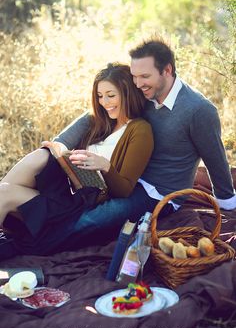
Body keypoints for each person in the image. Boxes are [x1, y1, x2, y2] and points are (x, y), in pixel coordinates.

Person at [44, 36, 236, 249]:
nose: (137, 83)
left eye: (145, 76)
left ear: (167, 70)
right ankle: (24, 232)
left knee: (94, 221)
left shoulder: (198, 110)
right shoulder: (143, 91)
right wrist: (61, 142)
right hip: (124, 176)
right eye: (134, 76)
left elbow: (215, 158)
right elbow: (98, 113)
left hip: (159, 193)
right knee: (67, 204)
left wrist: (227, 202)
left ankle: (20, 247)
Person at [0, 63, 154, 259]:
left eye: (111, 95)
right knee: (41, 156)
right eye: (100, 96)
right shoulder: (101, 122)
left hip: (81, 204)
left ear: (127, 93)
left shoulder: (140, 130)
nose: (105, 102)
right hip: (66, 188)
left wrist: (105, 166)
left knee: (4, 192)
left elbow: (124, 190)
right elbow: (64, 143)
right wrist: (61, 154)